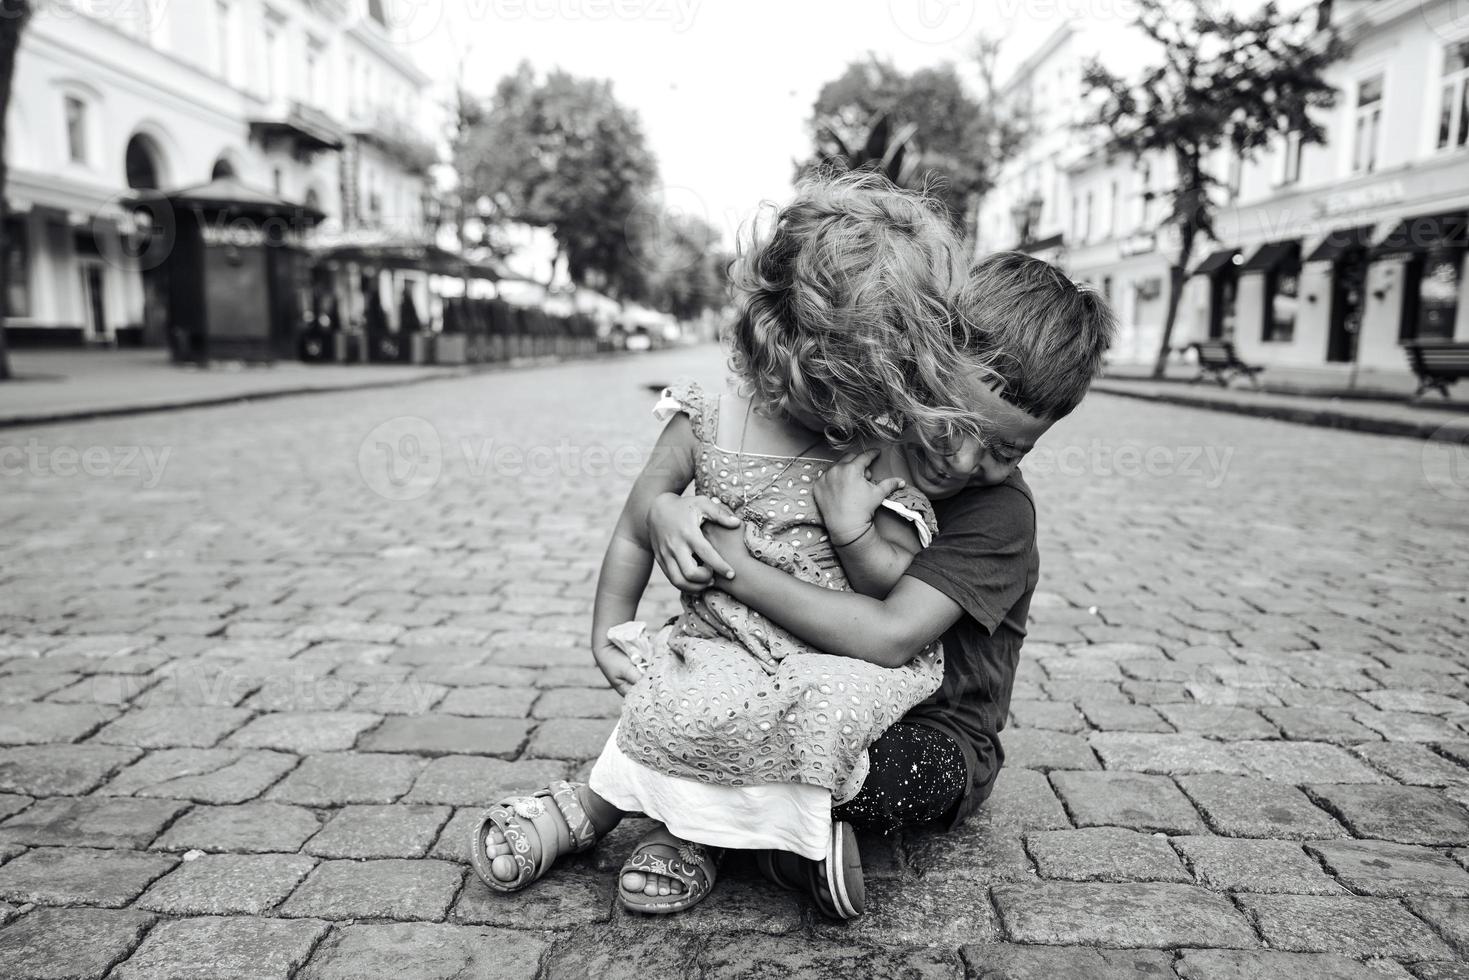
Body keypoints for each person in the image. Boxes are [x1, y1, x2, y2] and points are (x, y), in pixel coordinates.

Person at [466, 171, 994, 917]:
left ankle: (724, 837)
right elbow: (636, 518)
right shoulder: (708, 418)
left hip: (823, 652)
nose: (842, 416)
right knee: (681, 698)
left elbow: (891, 584)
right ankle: (601, 809)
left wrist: (853, 531)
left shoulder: (880, 445)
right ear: (779, 340)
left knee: (812, 712)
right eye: (834, 390)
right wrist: (609, 620)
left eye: (870, 393)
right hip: (718, 638)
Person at [658, 253, 1115, 896]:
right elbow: (737, 467)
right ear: (922, 367)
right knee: (713, 698)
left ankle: (755, 834)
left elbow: (890, 636)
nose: (963, 459)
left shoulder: (1001, 513)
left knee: (889, 773)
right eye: (954, 420)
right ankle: (785, 839)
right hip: (814, 680)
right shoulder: (869, 432)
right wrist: (669, 509)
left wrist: (733, 568)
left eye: (1006, 450)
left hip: (933, 729)